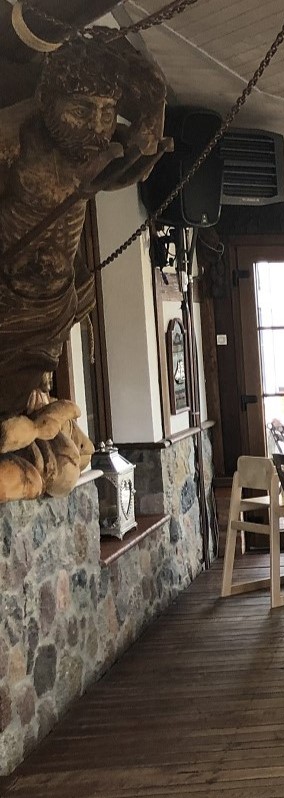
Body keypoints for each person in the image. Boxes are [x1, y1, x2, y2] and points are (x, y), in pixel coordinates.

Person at [0, 31, 168, 499]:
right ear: (47, 102)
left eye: (107, 113)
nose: (96, 127)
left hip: (53, 306)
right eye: (81, 110)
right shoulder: (14, 139)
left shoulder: (95, 151)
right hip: (9, 304)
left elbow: (138, 156)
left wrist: (153, 98)